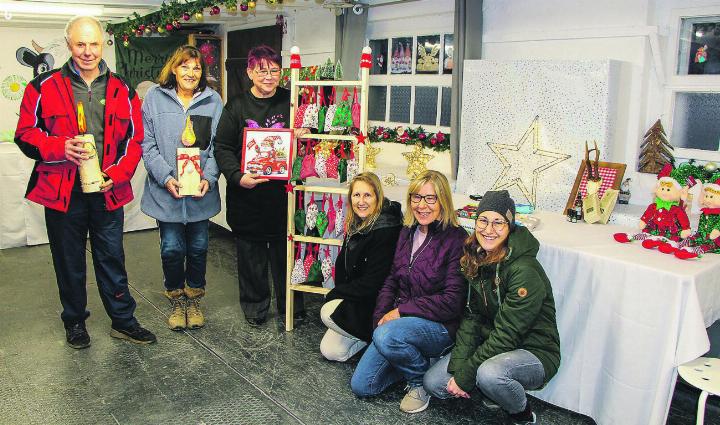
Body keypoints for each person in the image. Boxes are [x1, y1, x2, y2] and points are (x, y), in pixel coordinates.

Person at [14, 16, 156, 348]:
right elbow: (24, 134)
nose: (88, 52)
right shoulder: (42, 86)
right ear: (68, 45)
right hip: (62, 191)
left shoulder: (121, 88)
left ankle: (123, 320)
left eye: (93, 44)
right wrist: (57, 146)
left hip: (107, 190)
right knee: (68, 260)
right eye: (80, 44)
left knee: (111, 257)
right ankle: (75, 321)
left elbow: (135, 141)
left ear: (102, 43)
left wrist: (116, 175)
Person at [423, 190, 561, 425]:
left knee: (490, 374)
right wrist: (460, 367)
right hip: (491, 344)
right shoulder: (477, 258)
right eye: (483, 221)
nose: (489, 230)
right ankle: (489, 390)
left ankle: (522, 415)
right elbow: (471, 318)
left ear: (510, 227)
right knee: (434, 384)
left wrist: (466, 376)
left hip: (533, 350)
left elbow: (508, 334)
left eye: (498, 222)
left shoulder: (524, 270)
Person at [350, 170, 468, 414]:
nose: (421, 205)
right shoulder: (406, 232)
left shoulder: (457, 239)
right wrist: (379, 321)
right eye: (416, 198)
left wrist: (400, 313)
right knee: (363, 385)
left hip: (439, 326)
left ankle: (418, 381)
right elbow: (391, 280)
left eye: (430, 199)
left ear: (443, 201)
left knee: (387, 337)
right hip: (400, 326)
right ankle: (411, 358)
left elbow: (452, 302)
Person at [214, 45, 308, 326]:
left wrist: (306, 132)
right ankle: (255, 308)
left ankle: (292, 307)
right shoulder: (236, 106)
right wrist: (237, 176)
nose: (268, 76)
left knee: (286, 256)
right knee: (251, 258)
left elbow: (312, 140)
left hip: (285, 197)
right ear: (250, 72)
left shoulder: (293, 102)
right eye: (262, 70)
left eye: (274, 70)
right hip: (248, 197)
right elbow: (222, 147)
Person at [140, 45, 223, 330]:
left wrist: (208, 177)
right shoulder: (153, 98)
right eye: (185, 66)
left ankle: (195, 298)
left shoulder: (213, 101)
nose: (191, 72)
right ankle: (176, 299)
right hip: (167, 193)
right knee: (172, 249)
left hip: (200, 193)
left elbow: (217, 147)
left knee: (199, 247)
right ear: (174, 69)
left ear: (203, 73)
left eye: (197, 68)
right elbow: (146, 145)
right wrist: (165, 177)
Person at [320, 172, 403, 362]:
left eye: (367, 195)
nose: (361, 201)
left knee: (327, 312)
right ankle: (367, 340)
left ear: (377, 197)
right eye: (356, 195)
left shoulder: (385, 230)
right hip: (359, 297)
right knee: (330, 351)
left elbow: (374, 283)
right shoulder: (358, 223)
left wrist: (336, 294)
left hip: (377, 303)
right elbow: (344, 266)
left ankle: (376, 335)